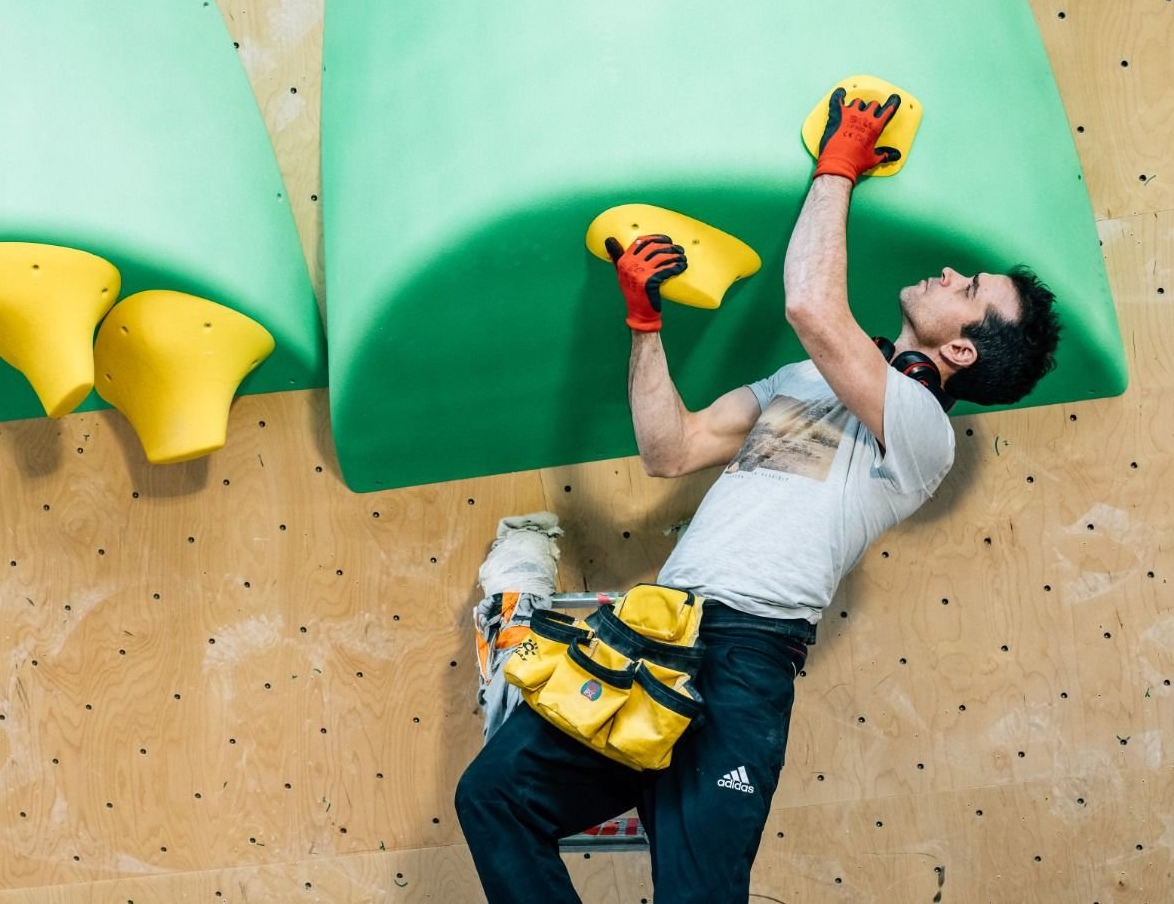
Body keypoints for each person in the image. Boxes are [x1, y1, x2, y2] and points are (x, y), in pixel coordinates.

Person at [455, 89, 1063, 903]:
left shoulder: (921, 431)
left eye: (970, 286)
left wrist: (839, 167)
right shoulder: (805, 381)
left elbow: (812, 305)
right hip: (655, 637)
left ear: (957, 347)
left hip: (746, 662)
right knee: (494, 797)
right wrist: (645, 326)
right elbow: (671, 450)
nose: (951, 273)